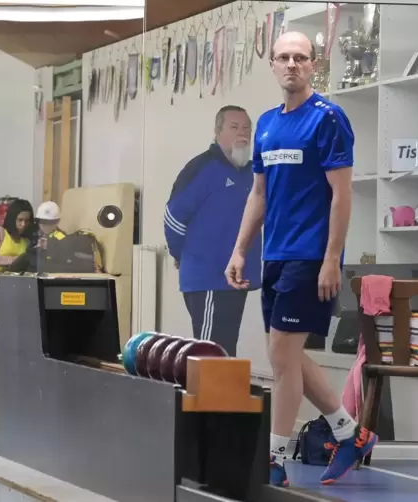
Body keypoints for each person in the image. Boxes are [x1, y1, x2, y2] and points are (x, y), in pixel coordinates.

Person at [225, 31, 376, 487]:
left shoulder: (329, 119)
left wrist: (332, 258)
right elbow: (259, 193)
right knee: (288, 356)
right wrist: (239, 249)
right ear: (272, 64)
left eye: (300, 58)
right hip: (276, 256)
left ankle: (274, 461)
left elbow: (342, 195)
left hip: (310, 258)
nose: (292, 64)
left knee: (280, 356)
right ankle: (350, 433)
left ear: (314, 64)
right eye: (284, 57)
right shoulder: (268, 123)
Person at [164, 105, 261, 356]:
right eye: (234, 127)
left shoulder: (252, 173)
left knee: (226, 352)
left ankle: (224, 397)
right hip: (209, 279)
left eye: (247, 128)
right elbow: (173, 217)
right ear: (218, 132)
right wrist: (180, 255)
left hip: (237, 280)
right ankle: (207, 397)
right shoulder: (202, 168)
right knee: (210, 354)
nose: (243, 134)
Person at [0, 199, 34, 272]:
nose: (23, 224)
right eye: (20, 220)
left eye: (27, 221)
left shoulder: (27, 241)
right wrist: (14, 260)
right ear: (12, 219)